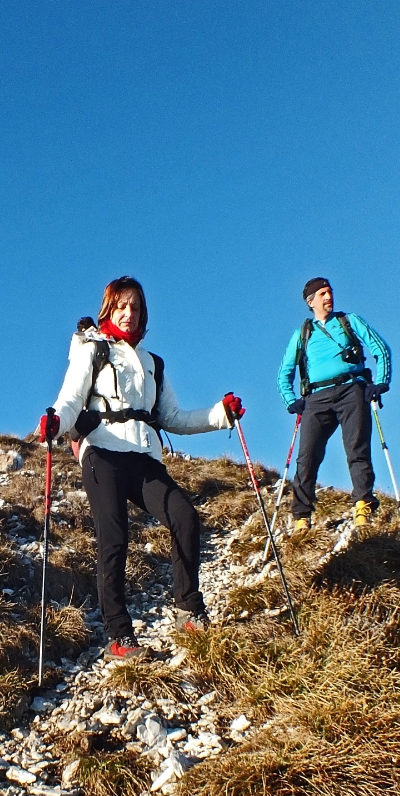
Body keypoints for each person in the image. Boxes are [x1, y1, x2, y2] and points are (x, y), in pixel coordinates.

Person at [40, 276, 244, 659]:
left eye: (135, 307)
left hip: (144, 456)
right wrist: (55, 420)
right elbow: (70, 398)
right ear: (109, 309)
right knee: (114, 537)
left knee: (184, 516)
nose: (129, 313)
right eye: (121, 306)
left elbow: (174, 418)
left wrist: (221, 414)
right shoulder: (92, 349)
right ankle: (120, 635)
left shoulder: (153, 364)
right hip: (102, 451)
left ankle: (188, 609)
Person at [276, 277, 392, 532]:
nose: (329, 297)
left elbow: (381, 348)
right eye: (323, 294)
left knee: (356, 447)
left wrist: (380, 382)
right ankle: (301, 516)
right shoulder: (302, 334)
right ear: (311, 301)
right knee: (307, 457)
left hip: (352, 389)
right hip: (316, 398)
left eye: (330, 292)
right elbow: (284, 373)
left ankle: (363, 504)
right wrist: (291, 401)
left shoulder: (349, 321)